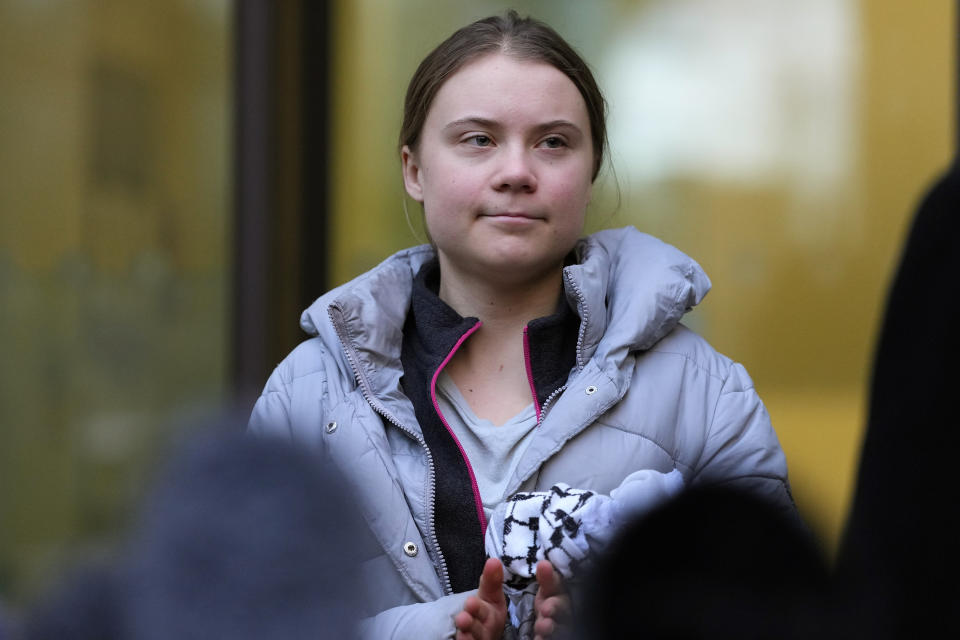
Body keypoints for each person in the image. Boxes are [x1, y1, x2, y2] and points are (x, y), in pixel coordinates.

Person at [248, 10, 794, 640]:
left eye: (553, 142)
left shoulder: (703, 395)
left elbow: (780, 616)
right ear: (414, 170)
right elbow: (240, 619)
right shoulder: (308, 396)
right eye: (477, 139)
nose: (516, 171)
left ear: (590, 175)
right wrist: (433, 631)